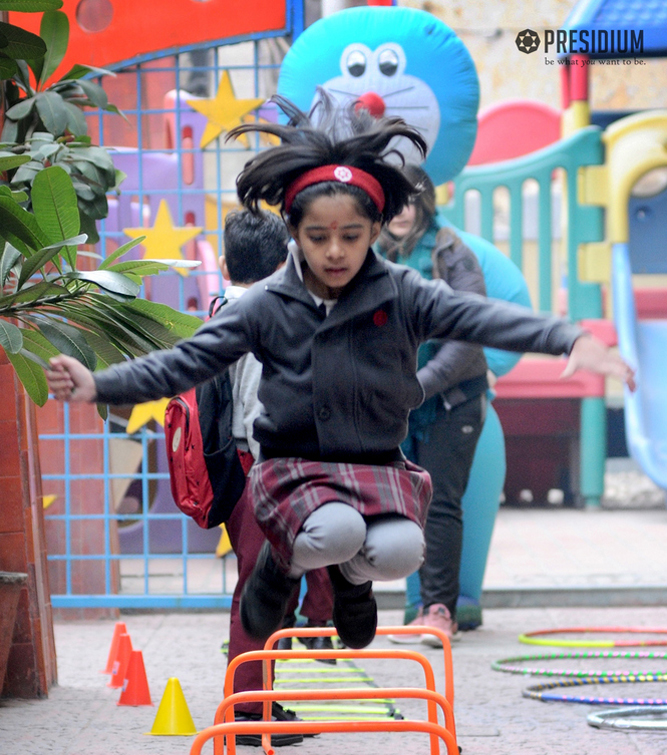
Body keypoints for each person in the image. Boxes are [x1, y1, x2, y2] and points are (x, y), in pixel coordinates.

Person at [45, 92, 635, 671]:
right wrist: (98, 384)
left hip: (374, 463)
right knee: (335, 530)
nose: (334, 252)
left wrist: (570, 339)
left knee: (399, 549)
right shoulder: (266, 303)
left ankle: (354, 585)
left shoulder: (403, 291)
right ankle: (282, 568)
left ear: (375, 228)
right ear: (293, 232)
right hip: (292, 466)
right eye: (317, 236)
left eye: (350, 236)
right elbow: (184, 362)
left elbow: (480, 316)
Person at [217, 208, 334, 745]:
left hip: (244, 470)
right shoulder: (266, 316)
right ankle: (248, 712)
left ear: (224, 262)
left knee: (270, 588)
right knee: (260, 590)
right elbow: (257, 408)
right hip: (265, 469)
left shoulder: (226, 308)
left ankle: (263, 700)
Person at [378, 165, 489, 644]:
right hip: (396, 406)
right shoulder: (370, 254)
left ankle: (440, 610)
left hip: (453, 401)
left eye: (410, 201)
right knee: (401, 506)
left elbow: (470, 335)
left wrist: (418, 385)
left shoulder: (450, 251)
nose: (401, 212)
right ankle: (417, 605)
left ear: (423, 204)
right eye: (393, 202)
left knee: (440, 502)